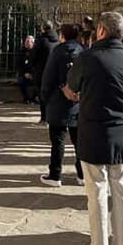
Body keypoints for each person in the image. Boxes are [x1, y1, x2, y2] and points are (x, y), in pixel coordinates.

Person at [66, 12, 123, 245]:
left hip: (94, 132)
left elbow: (72, 88)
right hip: (122, 134)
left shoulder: (87, 58)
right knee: (122, 193)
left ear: (102, 31)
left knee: (96, 194)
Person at [39, 23, 84, 187]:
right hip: (78, 102)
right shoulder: (83, 51)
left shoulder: (58, 52)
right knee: (79, 141)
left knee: (58, 141)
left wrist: (45, 99)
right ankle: (82, 174)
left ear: (62, 36)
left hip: (58, 101)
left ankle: (55, 174)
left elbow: (48, 77)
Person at [30, 22, 60, 124]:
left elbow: (33, 56)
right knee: (53, 95)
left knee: (42, 95)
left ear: (43, 28)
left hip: (41, 71)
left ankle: (44, 117)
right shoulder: (57, 40)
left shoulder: (41, 40)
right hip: (54, 71)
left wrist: (32, 66)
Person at [16, 35, 36, 103]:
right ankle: (26, 98)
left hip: (33, 74)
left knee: (40, 81)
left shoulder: (36, 52)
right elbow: (18, 65)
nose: (28, 43)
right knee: (21, 81)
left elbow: (38, 65)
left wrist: (32, 74)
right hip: (24, 73)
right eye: (27, 41)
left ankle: (33, 98)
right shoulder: (21, 52)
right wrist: (25, 73)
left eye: (30, 41)